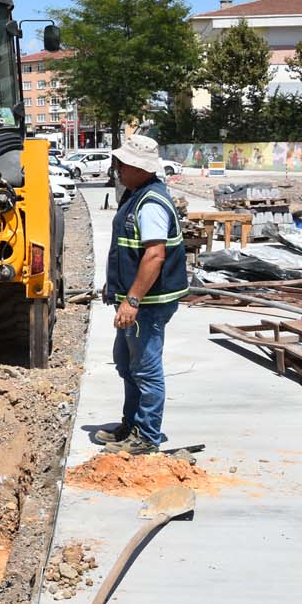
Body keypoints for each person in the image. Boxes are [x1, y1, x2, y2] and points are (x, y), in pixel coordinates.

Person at [97, 135, 188, 455]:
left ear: (140, 167)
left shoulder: (150, 204)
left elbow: (154, 255)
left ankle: (147, 436)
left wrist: (132, 299)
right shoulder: (136, 195)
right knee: (126, 364)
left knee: (146, 370)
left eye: (123, 164)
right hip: (136, 299)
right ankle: (131, 424)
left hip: (148, 304)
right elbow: (129, 250)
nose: (118, 168)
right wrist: (115, 286)